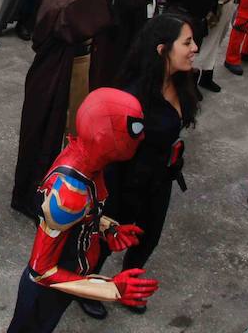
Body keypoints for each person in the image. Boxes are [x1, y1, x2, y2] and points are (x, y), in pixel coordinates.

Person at [5, 89, 159, 333]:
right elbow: (41, 270)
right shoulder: (70, 191)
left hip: (65, 280)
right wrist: (109, 289)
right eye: (135, 129)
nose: (141, 137)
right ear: (104, 135)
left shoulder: (87, 160)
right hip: (49, 290)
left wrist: (108, 227)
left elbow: (82, 215)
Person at [84, 16, 200, 320]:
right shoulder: (133, 98)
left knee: (148, 238)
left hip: (160, 179)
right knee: (108, 240)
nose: (194, 49)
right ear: (162, 50)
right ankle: (89, 287)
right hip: (125, 182)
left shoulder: (183, 81)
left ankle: (130, 288)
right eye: (187, 43)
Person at [11, 0, 123, 217]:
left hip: (76, 72)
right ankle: (30, 196)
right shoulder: (56, 0)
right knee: (43, 135)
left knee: (71, 133)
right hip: (51, 79)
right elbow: (71, 18)